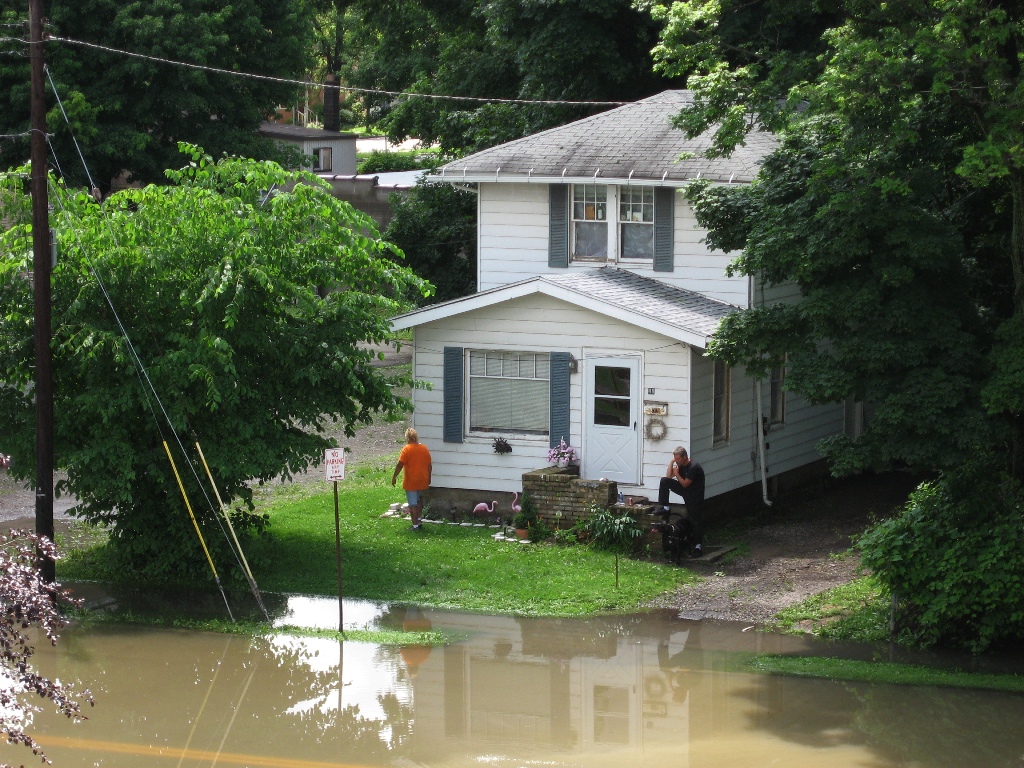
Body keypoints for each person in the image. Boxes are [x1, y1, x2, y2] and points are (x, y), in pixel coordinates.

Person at [657, 446, 705, 557]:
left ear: (684, 457)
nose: (677, 461)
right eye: (675, 459)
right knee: (664, 481)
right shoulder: (680, 465)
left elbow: (685, 483)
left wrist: (677, 473)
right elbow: (668, 476)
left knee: (695, 520)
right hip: (685, 490)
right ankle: (665, 507)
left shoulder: (694, 467)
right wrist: (672, 462)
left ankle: (698, 546)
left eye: (678, 459)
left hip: (694, 495)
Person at [392, 428, 432, 531]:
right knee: (418, 501)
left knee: (412, 504)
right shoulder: (424, 448)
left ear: (407, 438)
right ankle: (419, 520)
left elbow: (400, 465)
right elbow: (429, 465)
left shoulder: (407, 449)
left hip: (411, 481)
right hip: (422, 479)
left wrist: (394, 476)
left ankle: (415, 526)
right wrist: (429, 477)